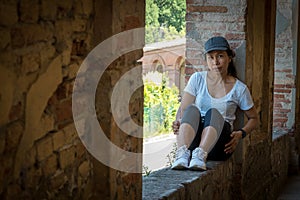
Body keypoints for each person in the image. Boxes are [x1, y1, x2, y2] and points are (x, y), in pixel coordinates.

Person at [171, 36, 258, 171]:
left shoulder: (239, 89)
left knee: (213, 113)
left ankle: (201, 155)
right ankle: (182, 154)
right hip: (194, 142)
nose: (215, 62)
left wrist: (241, 133)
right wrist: (178, 122)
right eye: (210, 57)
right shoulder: (197, 79)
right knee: (192, 110)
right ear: (206, 60)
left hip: (219, 145)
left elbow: (254, 119)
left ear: (229, 58)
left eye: (220, 56)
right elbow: (183, 109)